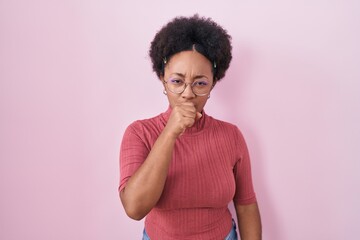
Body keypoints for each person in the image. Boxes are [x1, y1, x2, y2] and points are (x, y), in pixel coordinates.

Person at [118, 14, 262, 240]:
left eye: (200, 83)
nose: (188, 93)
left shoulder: (231, 136)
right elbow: (134, 208)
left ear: (213, 83)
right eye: (177, 81)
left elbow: (246, 205)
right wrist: (170, 132)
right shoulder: (139, 133)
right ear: (163, 79)